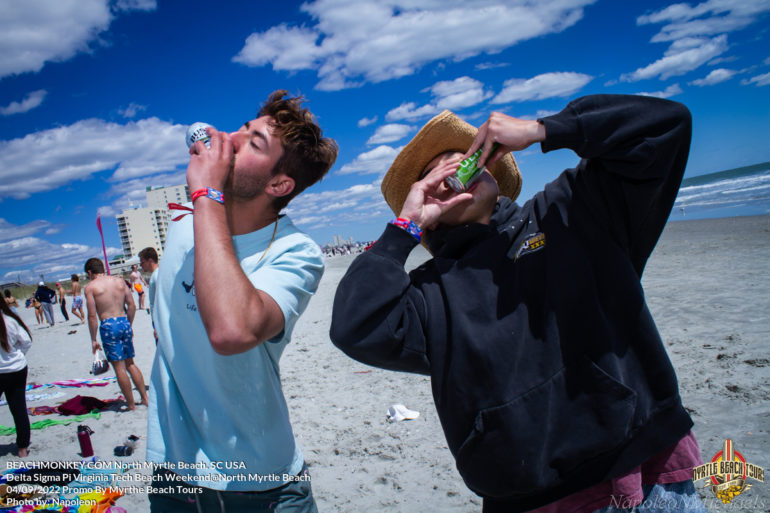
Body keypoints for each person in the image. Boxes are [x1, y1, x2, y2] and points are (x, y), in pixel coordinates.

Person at [330, 95, 707, 513]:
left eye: (465, 157)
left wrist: (544, 129)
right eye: (435, 170)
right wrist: (405, 228)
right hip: (530, 499)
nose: (455, 169)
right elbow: (355, 327)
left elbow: (666, 125)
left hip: (642, 471)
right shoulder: (425, 295)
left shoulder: (567, 210)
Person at [146, 89, 337, 512]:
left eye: (252, 143)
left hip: (262, 485)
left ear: (279, 184)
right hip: (173, 474)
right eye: (243, 129)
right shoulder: (183, 225)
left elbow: (232, 331)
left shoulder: (297, 253)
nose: (230, 139)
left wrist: (207, 196)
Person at [83, 258, 148, 411]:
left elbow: (92, 316)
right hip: (123, 321)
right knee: (130, 363)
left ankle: (131, 405)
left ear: (89, 272)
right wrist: (129, 325)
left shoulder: (91, 287)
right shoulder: (119, 281)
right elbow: (131, 305)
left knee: (119, 368)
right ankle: (145, 398)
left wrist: (93, 339)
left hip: (108, 324)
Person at [0, 296, 33, 457]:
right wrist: (17, 355)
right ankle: (22, 449)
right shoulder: (10, 320)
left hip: (6, 370)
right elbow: (26, 341)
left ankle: (22, 447)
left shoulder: (9, 320)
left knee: (18, 408)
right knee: (18, 408)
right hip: (17, 368)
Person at [139, 247, 159, 343]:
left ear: (150, 261)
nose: (141, 265)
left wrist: (157, 326)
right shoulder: (158, 274)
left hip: (159, 322)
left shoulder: (156, 276)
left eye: (142, 262)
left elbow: (158, 304)